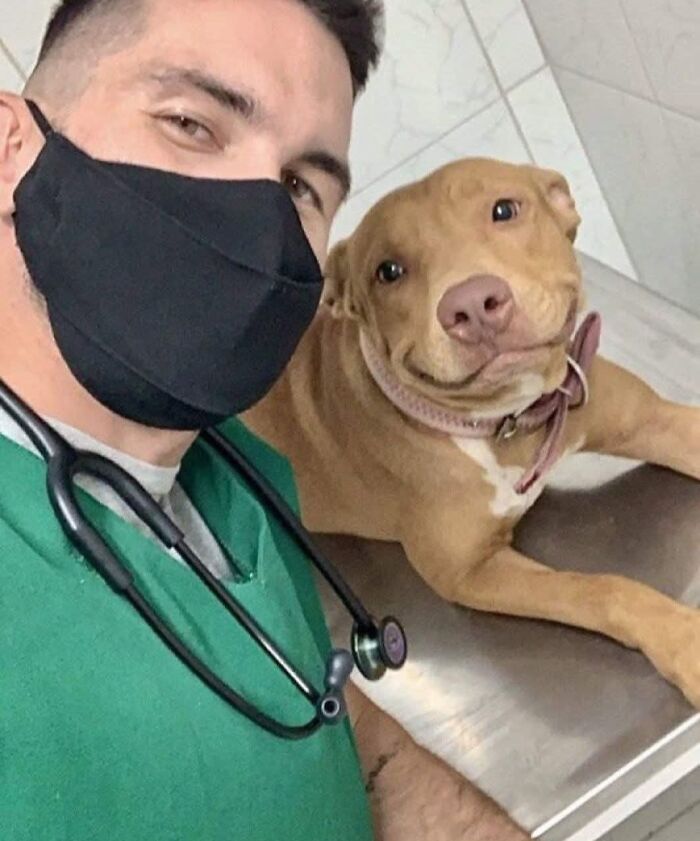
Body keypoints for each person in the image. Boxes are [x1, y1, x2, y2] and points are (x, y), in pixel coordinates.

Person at [0, 1, 527, 839]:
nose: (257, 218)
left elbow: (339, 733)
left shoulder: (238, 471)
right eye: (192, 124)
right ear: (10, 149)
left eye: (300, 187)